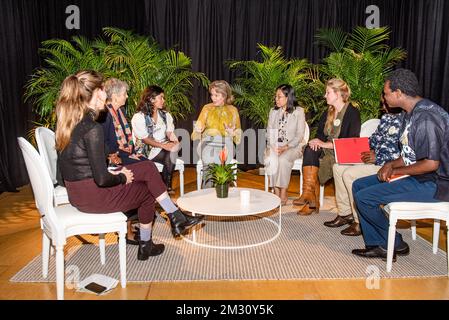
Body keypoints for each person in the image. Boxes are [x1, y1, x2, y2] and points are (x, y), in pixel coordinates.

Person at [55, 70, 204, 261]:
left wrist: (116, 169)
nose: (105, 94)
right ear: (94, 93)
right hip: (93, 196)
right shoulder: (92, 128)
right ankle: (152, 238)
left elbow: (73, 172)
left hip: (78, 194)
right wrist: (122, 176)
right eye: (102, 89)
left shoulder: (70, 123)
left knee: (148, 169)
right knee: (148, 190)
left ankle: (172, 219)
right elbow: (101, 179)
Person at [351, 68, 449, 261]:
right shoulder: (410, 113)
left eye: (386, 93)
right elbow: (409, 154)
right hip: (421, 176)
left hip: (436, 184)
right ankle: (383, 243)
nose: (384, 97)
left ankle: (391, 243)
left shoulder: (427, 118)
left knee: (364, 198)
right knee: (359, 185)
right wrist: (390, 164)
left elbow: (431, 164)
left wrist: (395, 169)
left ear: (398, 93)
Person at [324, 95, 403, 236]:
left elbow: (405, 155)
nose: (383, 106)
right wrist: (359, 149)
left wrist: (378, 157)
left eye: (385, 102)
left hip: (389, 166)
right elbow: (373, 140)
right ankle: (345, 213)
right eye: (382, 102)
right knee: (337, 167)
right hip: (374, 159)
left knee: (349, 174)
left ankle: (359, 221)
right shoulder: (386, 119)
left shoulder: (405, 121)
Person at [292, 78, 361, 215]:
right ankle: (308, 195)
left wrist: (324, 144)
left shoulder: (352, 113)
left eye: (327, 92)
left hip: (342, 153)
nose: (325, 96)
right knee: (310, 148)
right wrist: (315, 141)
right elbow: (320, 135)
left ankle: (312, 201)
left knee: (315, 152)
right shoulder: (328, 112)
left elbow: (349, 142)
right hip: (327, 149)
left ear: (337, 94)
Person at [191, 80, 242, 187]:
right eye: (212, 95)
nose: (213, 98)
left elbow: (238, 138)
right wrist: (198, 131)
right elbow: (194, 136)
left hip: (226, 142)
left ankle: (222, 190)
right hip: (207, 141)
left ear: (224, 95)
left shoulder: (233, 110)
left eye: (216, 95)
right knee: (209, 158)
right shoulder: (206, 108)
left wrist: (232, 133)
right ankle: (207, 191)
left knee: (222, 158)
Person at [131, 85, 180, 193]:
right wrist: (164, 145)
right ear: (152, 99)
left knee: (173, 152)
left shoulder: (165, 115)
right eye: (161, 97)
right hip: (144, 152)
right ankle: (156, 189)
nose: (164, 100)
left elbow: (169, 132)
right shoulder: (139, 117)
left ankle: (165, 186)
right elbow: (144, 139)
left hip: (159, 150)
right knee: (168, 150)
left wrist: (176, 142)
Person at [264, 84, 306, 205]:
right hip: (275, 146)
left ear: (288, 97)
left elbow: (299, 135)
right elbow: (269, 131)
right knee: (271, 158)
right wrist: (273, 147)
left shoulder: (299, 111)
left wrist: (285, 147)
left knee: (282, 159)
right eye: (276, 96)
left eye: (279, 96)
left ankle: (283, 192)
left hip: (293, 147)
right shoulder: (273, 111)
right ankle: (276, 192)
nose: (276, 99)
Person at [101, 78, 142, 166]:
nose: (127, 96)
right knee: (147, 166)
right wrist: (114, 156)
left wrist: (134, 152)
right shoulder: (105, 114)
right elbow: (104, 143)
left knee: (148, 164)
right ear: (115, 97)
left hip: (127, 152)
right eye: (124, 94)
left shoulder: (121, 111)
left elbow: (127, 136)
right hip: (115, 155)